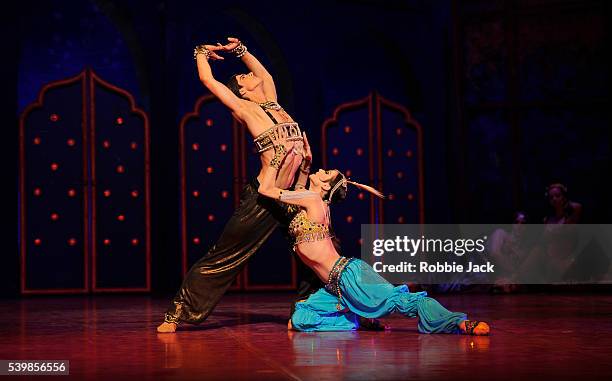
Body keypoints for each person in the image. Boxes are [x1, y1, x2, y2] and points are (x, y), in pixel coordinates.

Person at [256, 135, 490, 335]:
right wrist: (305, 163)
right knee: (298, 319)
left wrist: (277, 155)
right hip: (334, 286)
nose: (321, 170)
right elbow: (298, 190)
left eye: (325, 173)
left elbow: (266, 190)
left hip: (350, 275)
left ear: (326, 188)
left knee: (402, 302)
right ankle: (355, 318)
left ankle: (457, 321)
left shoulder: (314, 201)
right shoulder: (312, 203)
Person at [157, 37, 312, 333]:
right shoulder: (245, 109)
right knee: (225, 255)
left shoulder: (273, 104)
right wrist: (202, 52)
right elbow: (206, 79)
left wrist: (240, 50)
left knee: (315, 248)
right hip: (263, 200)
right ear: (241, 89)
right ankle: (178, 312)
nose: (252, 75)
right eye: (244, 76)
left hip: (295, 194)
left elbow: (265, 75)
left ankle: (308, 312)